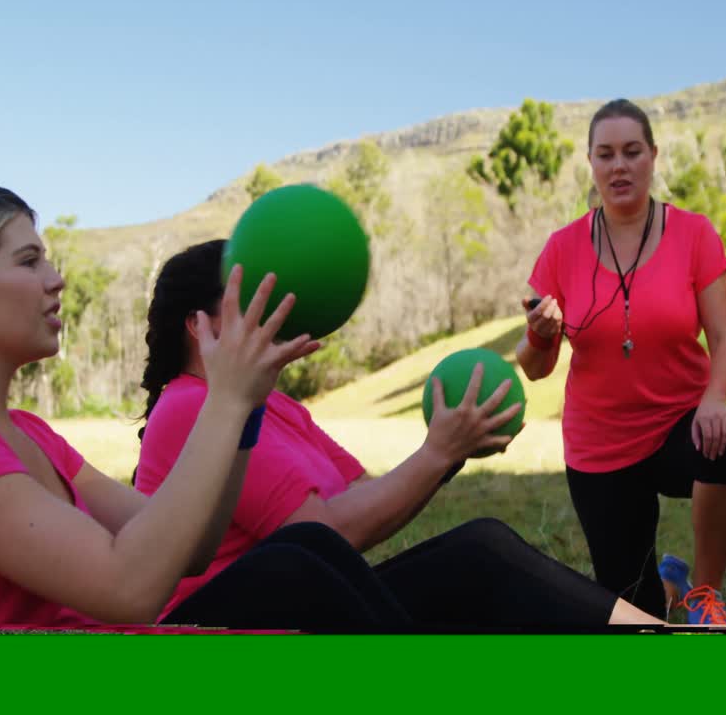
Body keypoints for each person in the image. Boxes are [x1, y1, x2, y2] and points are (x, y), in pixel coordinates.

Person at [134, 239, 666, 632]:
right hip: (219, 628)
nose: (269, 315)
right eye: (246, 302)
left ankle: (664, 639)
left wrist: (449, 449)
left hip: (304, 602)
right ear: (198, 325)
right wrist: (439, 451)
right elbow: (326, 536)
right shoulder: (188, 406)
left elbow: (363, 499)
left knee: (479, 551)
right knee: (478, 558)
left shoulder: (272, 404)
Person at [0, 179, 326, 629]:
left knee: (300, 556)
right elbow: (129, 588)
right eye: (29, 261)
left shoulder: (32, 434)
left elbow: (193, 548)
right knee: (296, 576)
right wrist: (224, 400)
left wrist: (245, 408)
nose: (56, 279)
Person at [517, 98, 726, 624]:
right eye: (606, 154)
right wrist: (539, 336)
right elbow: (534, 367)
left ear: (653, 156)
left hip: (681, 423)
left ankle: (702, 598)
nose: (619, 165)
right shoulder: (562, 248)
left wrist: (715, 399)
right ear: (591, 162)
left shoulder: (694, 234)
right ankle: (665, 592)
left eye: (631, 152)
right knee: (635, 612)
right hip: (600, 444)